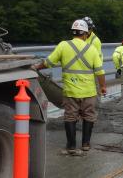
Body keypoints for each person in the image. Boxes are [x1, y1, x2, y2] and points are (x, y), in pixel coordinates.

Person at [34, 19, 106, 155]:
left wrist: (35, 67)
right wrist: (103, 87)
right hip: (89, 91)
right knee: (89, 116)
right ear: (85, 34)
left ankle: (71, 146)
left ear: (73, 32)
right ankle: (85, 144)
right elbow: (100, 71)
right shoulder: (92, 49)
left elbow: (48, 62)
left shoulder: (63, 46)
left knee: (70, 117)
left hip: (70, 91)